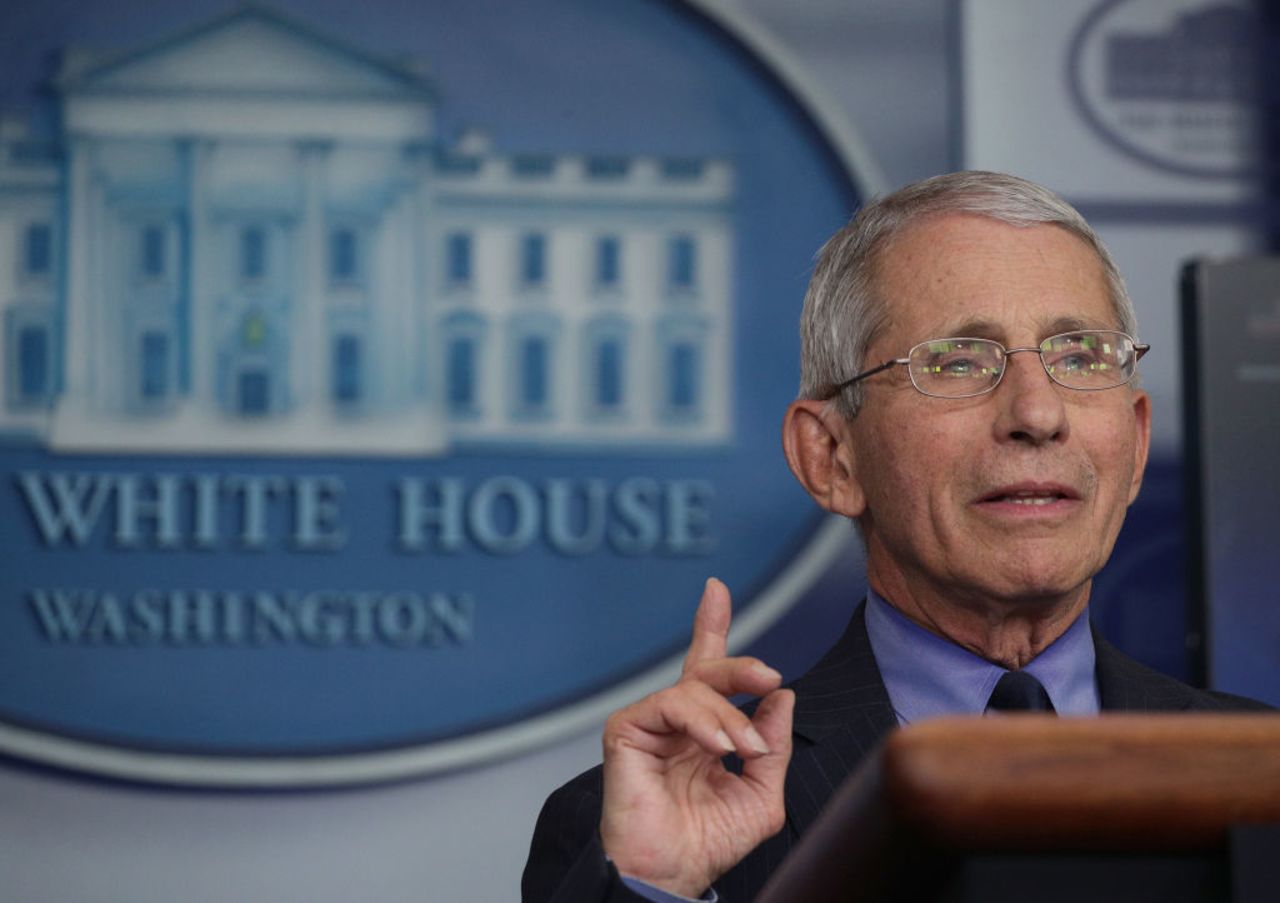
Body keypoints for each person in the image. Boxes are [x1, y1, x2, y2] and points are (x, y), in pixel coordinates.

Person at [521, 171, 1269, 903]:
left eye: (1079, 355)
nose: (1038, 414)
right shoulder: (645, 829)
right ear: (832, 457)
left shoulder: (1263, 772)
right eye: (958, 361)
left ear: (1135, 447)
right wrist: (661, 890)